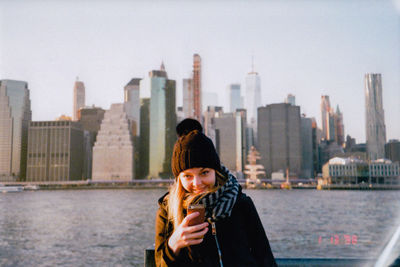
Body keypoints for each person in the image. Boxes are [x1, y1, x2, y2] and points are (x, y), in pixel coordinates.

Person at [155, 123, 277, 266]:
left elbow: (264, 256)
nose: (197, 183)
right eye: (187, 176)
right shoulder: (167, 209)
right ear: (179, 179)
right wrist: (174, 244)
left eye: (204, 172)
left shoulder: (240, 203)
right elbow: (159, 263)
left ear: (216, 172)